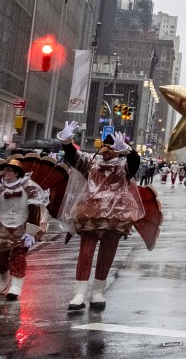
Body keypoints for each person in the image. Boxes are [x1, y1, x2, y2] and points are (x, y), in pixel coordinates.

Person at [59, 121, 144, 311]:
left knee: (107, 252)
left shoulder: (124, 166)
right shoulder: (92, 162)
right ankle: (79, 293)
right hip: (91, 212)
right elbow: (74, 157)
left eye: (111, 146)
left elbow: (135, 163)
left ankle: (98, 291)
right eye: (105, 145)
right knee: (86, 251)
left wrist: (129, 152)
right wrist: (66, 142)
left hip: (116, 214)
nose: (106, 149)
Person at [0, 158, 48, 300]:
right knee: (1, 257)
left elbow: (35, 209)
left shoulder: (29, 187)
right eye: (4, 170)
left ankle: (16, 285)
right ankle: (3, 274)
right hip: (2, 227)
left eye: (8, 170)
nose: (5, 173)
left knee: (18, 256)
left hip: (22, 227)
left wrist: (31, 232)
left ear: (16, 173)